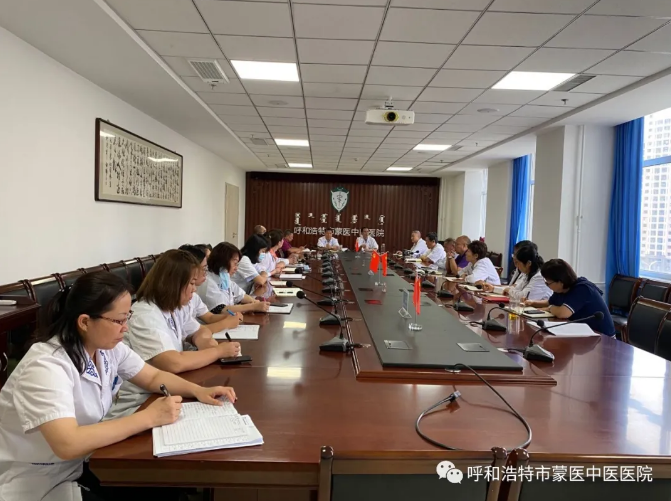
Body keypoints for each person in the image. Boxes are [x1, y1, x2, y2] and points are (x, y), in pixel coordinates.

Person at [0, 272, 236, 501]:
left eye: (127, 317)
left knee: (166, 489)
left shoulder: (106, 348)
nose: (126, 327)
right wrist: (149, 417)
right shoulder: (45, 366)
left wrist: (198, 391)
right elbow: (67, 443)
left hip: (79, 465)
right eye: (119, 320)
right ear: (84, 322)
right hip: (33, 481)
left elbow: (153, 377)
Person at [107, 250, 241, 419]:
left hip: (165, 389)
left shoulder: (174, 307)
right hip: (140, 402)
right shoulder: (145, 314)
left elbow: (200, 331)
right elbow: (172, 363)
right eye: (191, 283)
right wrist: (217, 352)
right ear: (173, 283)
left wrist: (205, 343)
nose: (194, 289)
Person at [525, 259, 616, 337]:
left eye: (548, 283)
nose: (547, 285)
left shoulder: (582, 288)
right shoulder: (561, 290)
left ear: (560, 282)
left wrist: (550, 308)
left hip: (601, 337)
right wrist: (532, 303)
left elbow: (562, 313)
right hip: (581, 332)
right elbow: (549, 302)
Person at [178, 245, 244, 331]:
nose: (206, 272)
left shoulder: (194, 296)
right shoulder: (178, 300)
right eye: (204, 268)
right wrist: (226, 323)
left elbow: (209, 317)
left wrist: (229, 317)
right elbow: (192, 333)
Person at [198, 242, 271, 314]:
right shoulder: (208, 282)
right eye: (235, 264)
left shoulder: (225, 279)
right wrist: (253, 306)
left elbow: (241, 295)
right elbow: (221, 309)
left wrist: (255, 302)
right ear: (223, 261)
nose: (236, 268)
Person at [481, 244, 550, 300]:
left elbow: (523, 297)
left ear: (528, 263)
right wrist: (493, 289)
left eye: (518, 263)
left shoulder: (539, 277)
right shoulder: (526, 273)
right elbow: (515, 289)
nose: (517, 266)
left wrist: (508, 290)